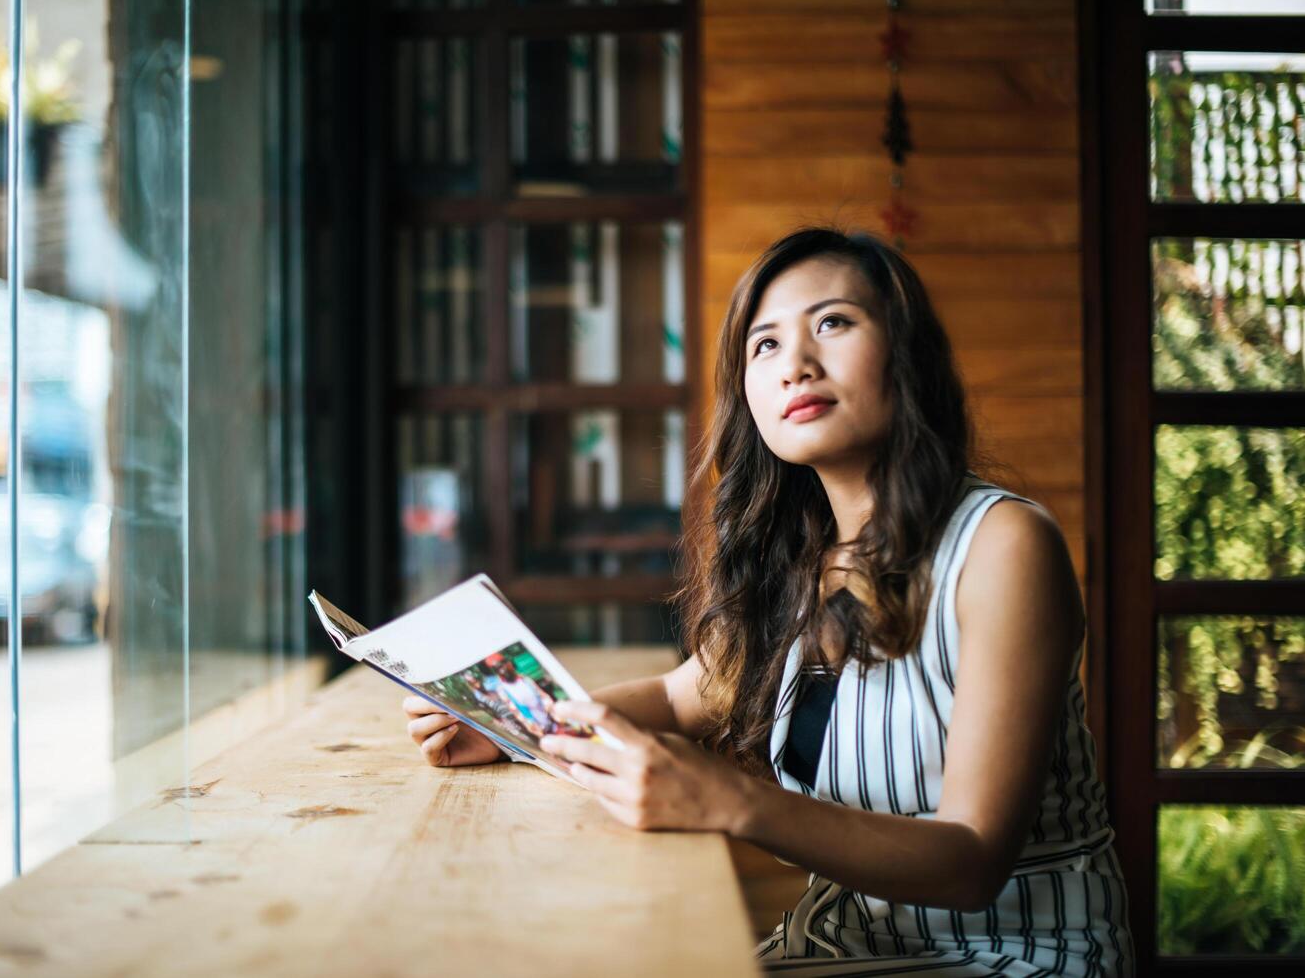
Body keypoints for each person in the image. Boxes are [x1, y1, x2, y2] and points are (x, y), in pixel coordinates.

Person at [402, 227, 1134, 976]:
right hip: (842, 943)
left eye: (833, 323)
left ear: (905, 355)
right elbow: (681, 694)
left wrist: (731, 803)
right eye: (765, 345)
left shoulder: (1001, 544)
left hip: (1016, 957)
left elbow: (973, 861)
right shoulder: (797, 560)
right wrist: (513, 724)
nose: (797, 365)